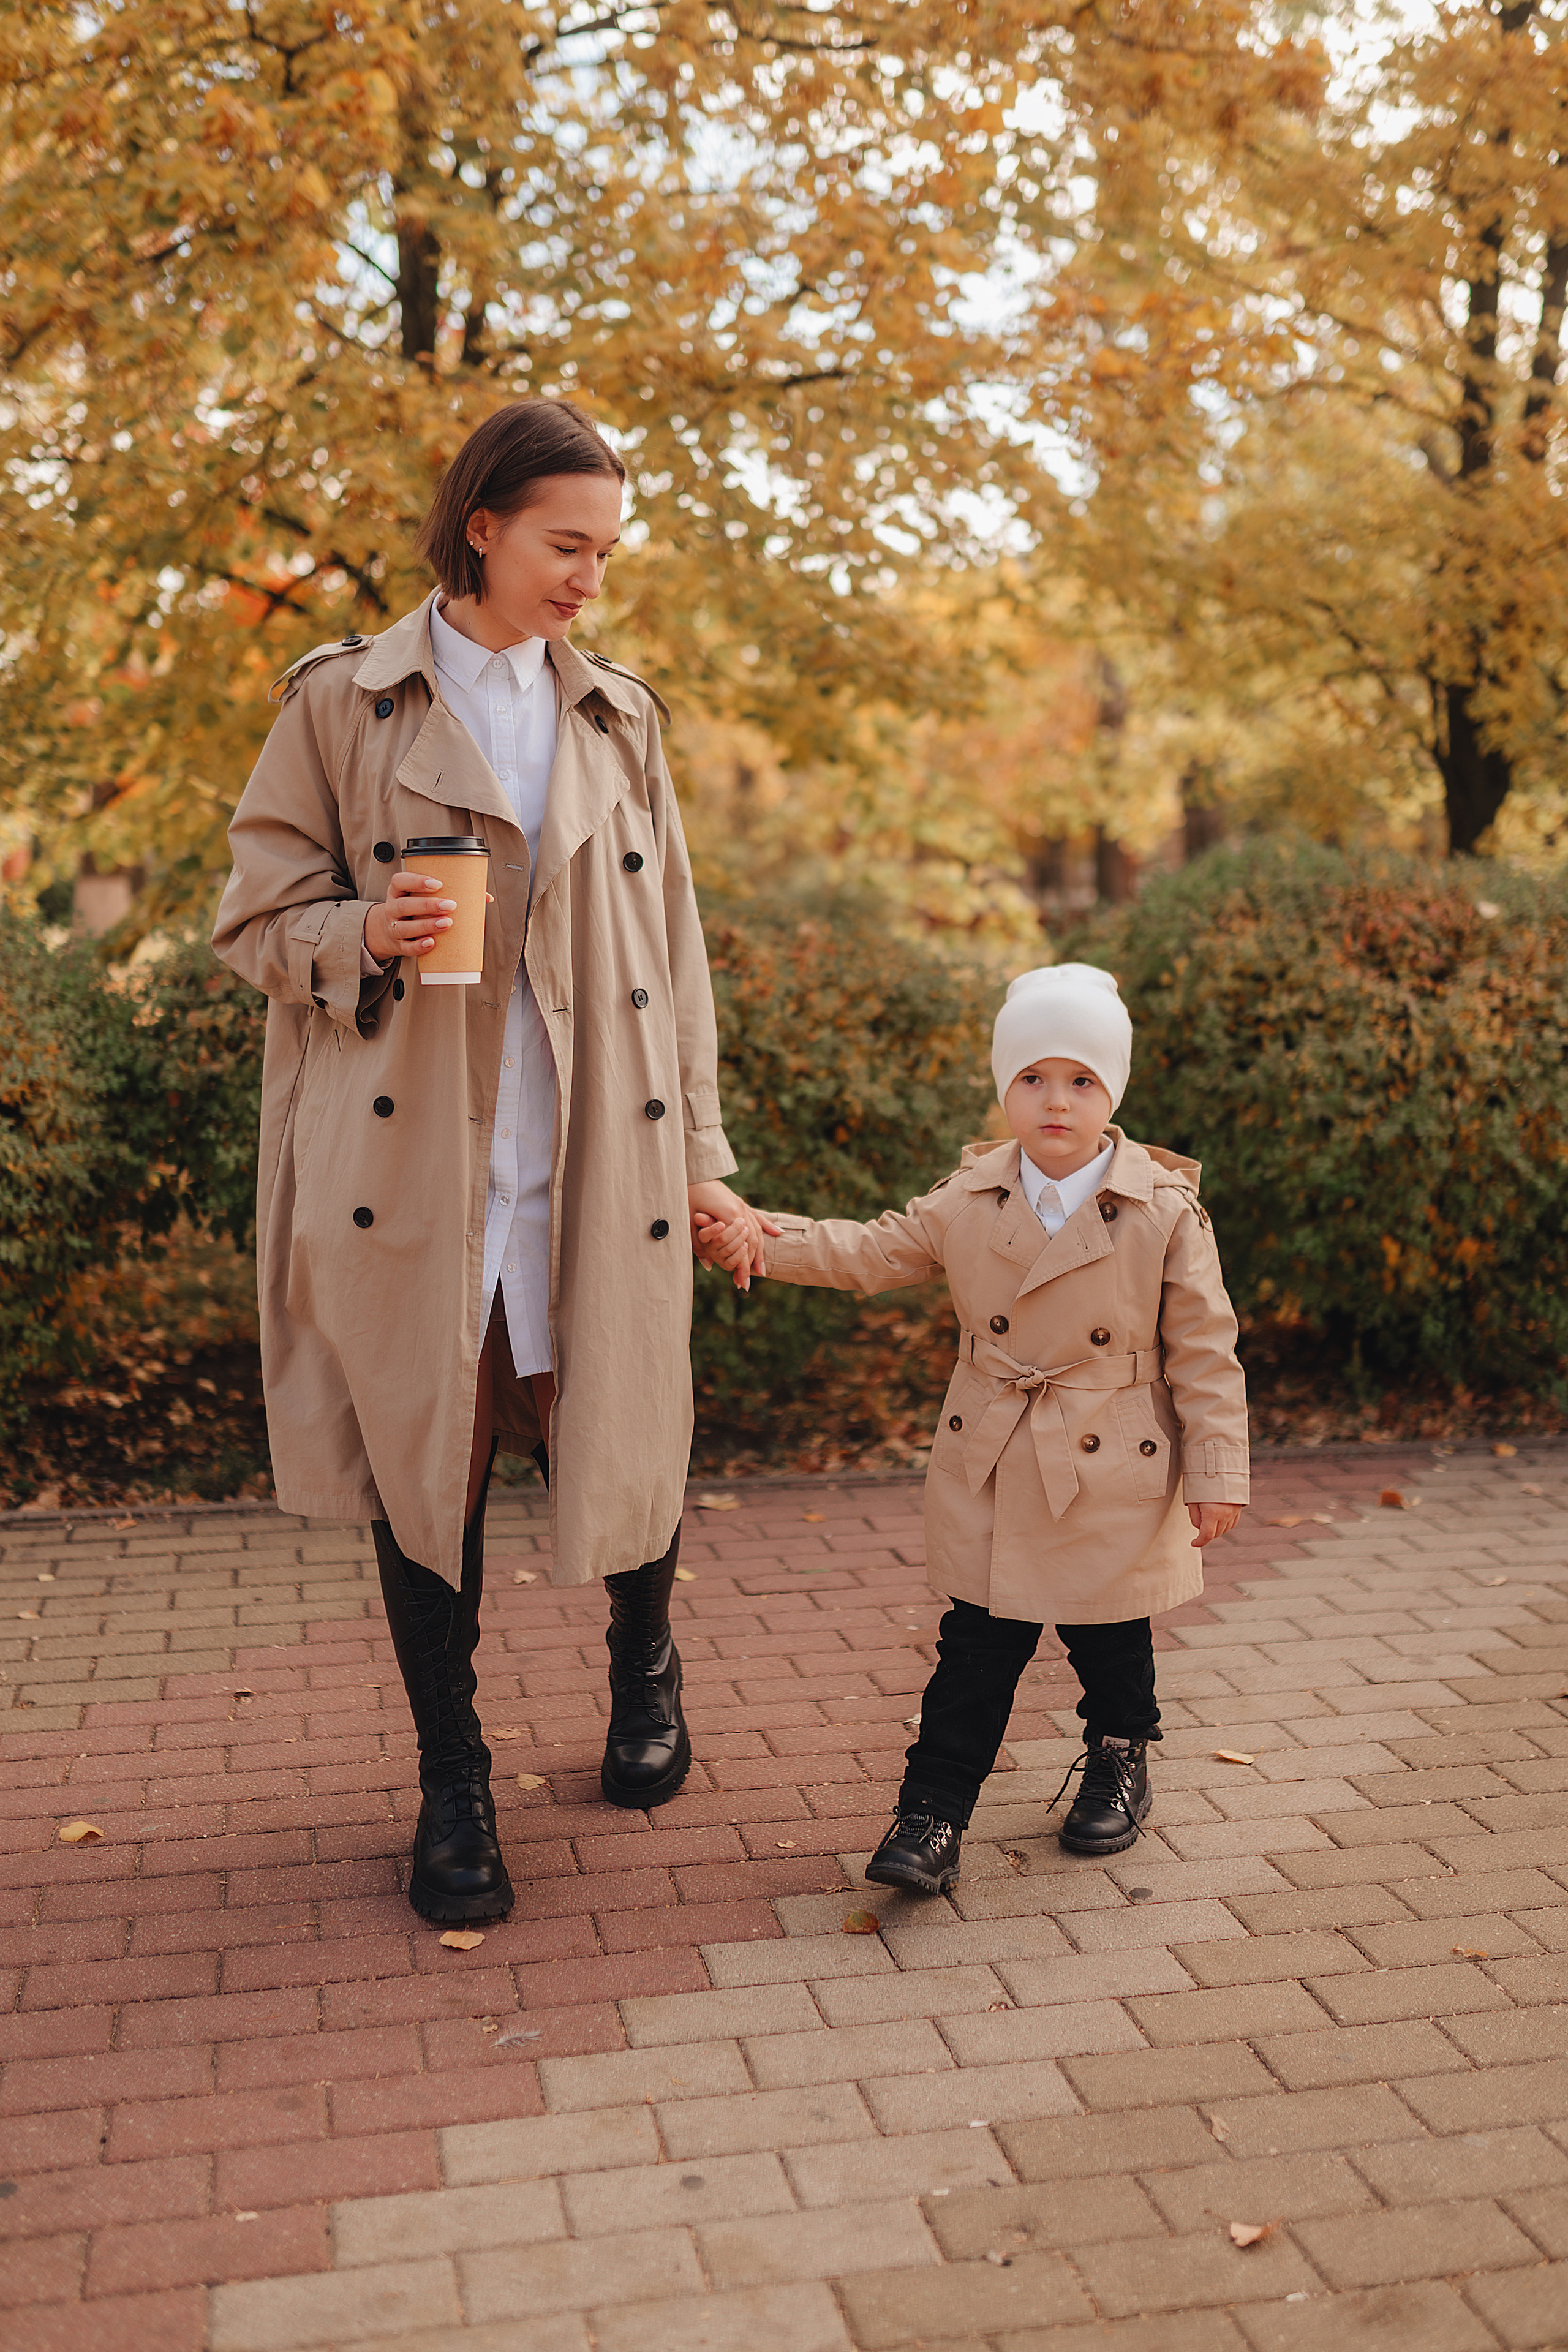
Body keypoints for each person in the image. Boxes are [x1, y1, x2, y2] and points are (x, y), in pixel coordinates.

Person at [212, 397, 769, 1926]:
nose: (590, 576)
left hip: (596, 1139)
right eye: (565, 544)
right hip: (416, 1152)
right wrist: (357, 934)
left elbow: (676, 957)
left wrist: (706, 1158)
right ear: (483, 527)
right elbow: (256, 918)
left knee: (623, 1409)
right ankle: (452, 1779)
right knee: (427, 1461)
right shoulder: (342, 704)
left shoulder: (618, 717)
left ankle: (641, 1669)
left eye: (607, 550)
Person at [698, 963, 1249, 1890]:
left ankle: (1119, 1759)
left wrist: (1218, 1470)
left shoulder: (1162, 1210)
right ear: (1005, 1090)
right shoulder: (971, 1197)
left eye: (1081, 1080)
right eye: (1032, 1079)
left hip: (1111, 1460)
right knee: (978, 1647)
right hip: (997, 1454)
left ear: (1113, 1091)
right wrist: (758, 1232)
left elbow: (1205, 1349)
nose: (1055, 1102)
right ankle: (932, 1814)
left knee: (1110, 1636)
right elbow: (869, 1250)